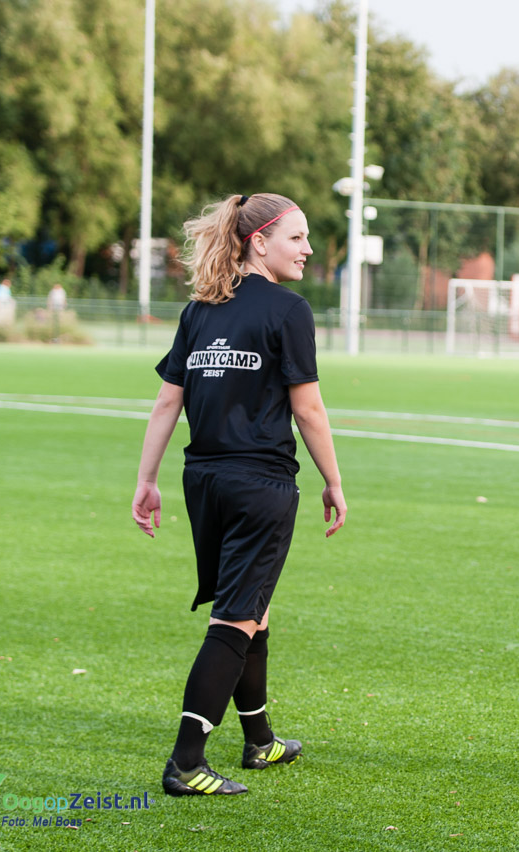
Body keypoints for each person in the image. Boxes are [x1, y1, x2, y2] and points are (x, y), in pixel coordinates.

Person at [132, 193, 347, 798]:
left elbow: (167, 403)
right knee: (236, 617)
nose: (308, 249)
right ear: (260, 242)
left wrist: (146, 481)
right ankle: (185, 762)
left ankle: (260, 741)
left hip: (203, 481)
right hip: (260, 485)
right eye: (298, 238)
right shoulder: (288, 309)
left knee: (254, 607)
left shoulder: (201, 310)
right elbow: (308, 407)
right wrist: (333, 481)